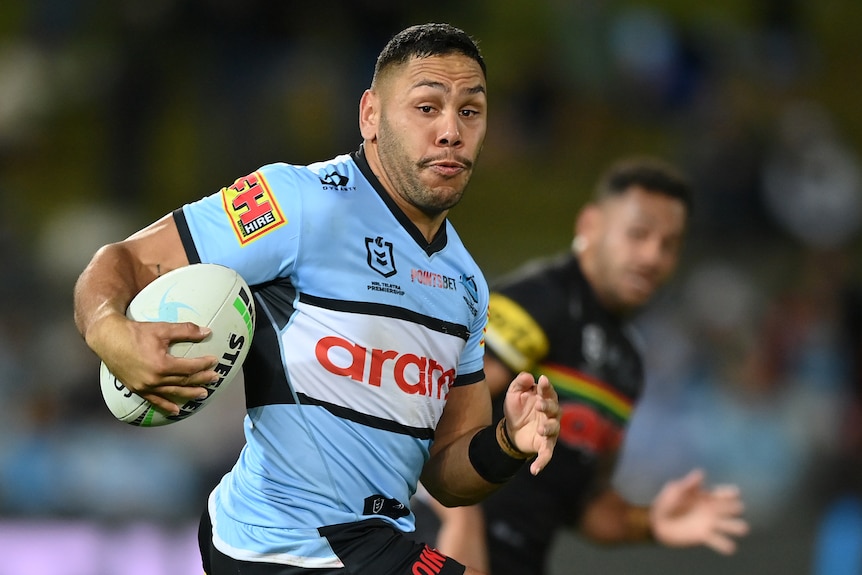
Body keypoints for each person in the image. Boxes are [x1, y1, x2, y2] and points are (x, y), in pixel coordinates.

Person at [72, 23, 560, 575]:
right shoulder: (295, 202)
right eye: (427, 108)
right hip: (283, 541)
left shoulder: (466, 283)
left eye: (470, 112)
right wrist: (112, 334)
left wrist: (507, 442)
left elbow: (447, 477)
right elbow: (124, 261)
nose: (451, 130)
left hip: (369, 541)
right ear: (370, 115)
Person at [419, 156, 750, 574]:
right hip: (446, 546)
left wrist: (652, 522)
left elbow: (588, 505)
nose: (652, 256)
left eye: (669, 244)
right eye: (638, 234)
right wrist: (458, 519)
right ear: (591, 225)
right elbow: (434, 414)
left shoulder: (628, 361)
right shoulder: (541, 300)